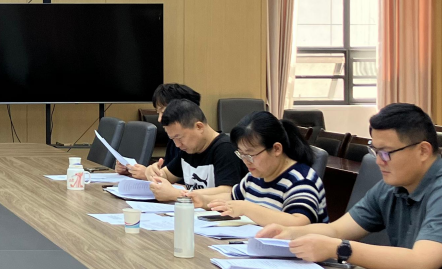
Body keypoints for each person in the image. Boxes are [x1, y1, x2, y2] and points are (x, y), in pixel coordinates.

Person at [256, 104, 442, 269]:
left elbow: (421, 264)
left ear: (423, 151)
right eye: (374, 151)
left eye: (386, 152)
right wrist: (289, 233)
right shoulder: (392, 186)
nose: (379, 161)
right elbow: (337, 230)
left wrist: (339, 249)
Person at [192, 111, 327, 227]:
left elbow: (299, 223)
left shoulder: (301, 180)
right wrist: (204, 200)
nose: (246, 161)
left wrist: (247, 208)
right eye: (242, 154)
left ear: (276, 149)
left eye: (251, 155)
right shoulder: (255, 176)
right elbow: (232, 197)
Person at [146, 100, 246, 201]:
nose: (177, 144)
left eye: (179, 137)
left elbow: (227, 191)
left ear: (199, 127)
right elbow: (167, 175)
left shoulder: (226, 148)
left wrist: (179, 194)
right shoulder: (189, 149)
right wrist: (154, 173)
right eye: (172, 139)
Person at [116, 83, 201, 180]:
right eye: (158, 113)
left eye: (163, 112)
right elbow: (168, 172)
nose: (160, 119)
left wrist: (148, 175)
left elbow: (188, 182)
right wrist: (132, 170)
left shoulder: (194, 145)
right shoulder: (174, 140)